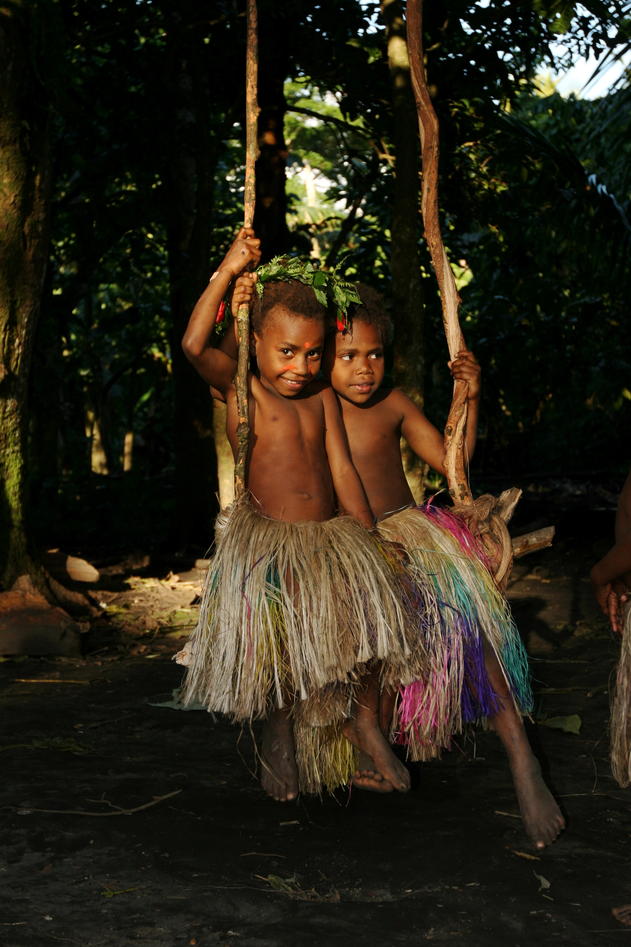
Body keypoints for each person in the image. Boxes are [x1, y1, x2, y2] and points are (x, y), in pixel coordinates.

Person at [177, 233, 426, 802]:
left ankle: (365, 724)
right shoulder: (243, 391)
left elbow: (342, 472)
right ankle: (279, 727)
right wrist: (228, 270)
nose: (301, 365)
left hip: (331, 536)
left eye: (314, 353)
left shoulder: (322, 398)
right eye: (286, 351)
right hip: (270, 541)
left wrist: (369, 539)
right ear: (255, 341)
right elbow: (194, 346)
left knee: (373, 620)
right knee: (281, 640)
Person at [319, 283, 565, 849]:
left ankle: (523, 759)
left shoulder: (395, 404)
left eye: (375, 354)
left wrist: (469, 397)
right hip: (352, 545)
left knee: (475, 631)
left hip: (414, 534)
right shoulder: (315, 406)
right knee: (368, 632)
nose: (364, 369)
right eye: (348, 356)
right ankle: (368, 736)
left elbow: (455, 461)